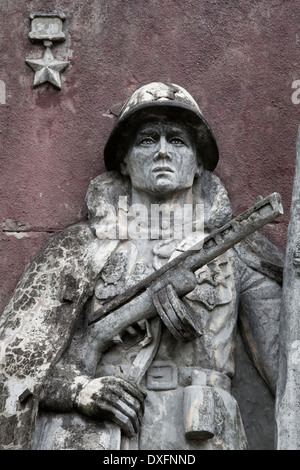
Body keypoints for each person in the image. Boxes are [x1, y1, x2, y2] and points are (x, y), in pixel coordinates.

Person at [0, 82, 283, 450]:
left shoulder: (238, 250)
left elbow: (286, 369)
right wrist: (80, 390)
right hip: (97, 439)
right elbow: (14, 362)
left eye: (177, 141)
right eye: (147, 139)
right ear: (124, 160)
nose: (163, 151)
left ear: (198, 162)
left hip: (202, 435)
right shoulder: (77, 249)